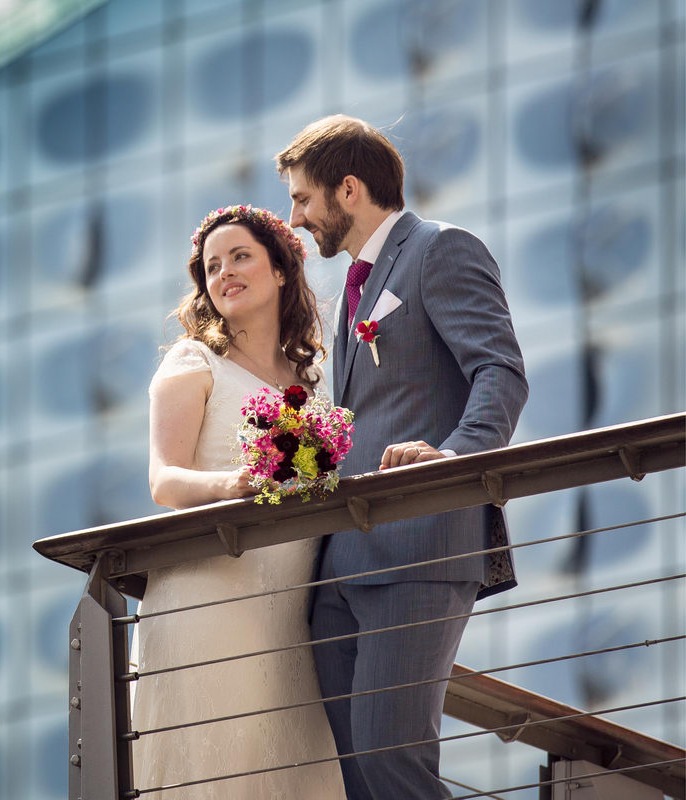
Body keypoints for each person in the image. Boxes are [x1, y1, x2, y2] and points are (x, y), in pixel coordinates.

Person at [277, 114, 527, 800]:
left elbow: (500, 373)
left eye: (303, 198)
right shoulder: (353, 288)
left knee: (393, 759)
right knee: (356, 777)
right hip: (341, 568)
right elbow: (369, 415)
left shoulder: (441, 250)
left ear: (348, 189)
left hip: (421, 544)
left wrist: (450, 460)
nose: (294, 218)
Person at [133, 204, 346, 798]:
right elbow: (165, 481)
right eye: (211, 266)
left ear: (280, 271)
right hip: (209, 596)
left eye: (240, 257)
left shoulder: (318, 385)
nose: (223, 272)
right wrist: (235, 487)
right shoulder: (192, 361)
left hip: (294, 610)